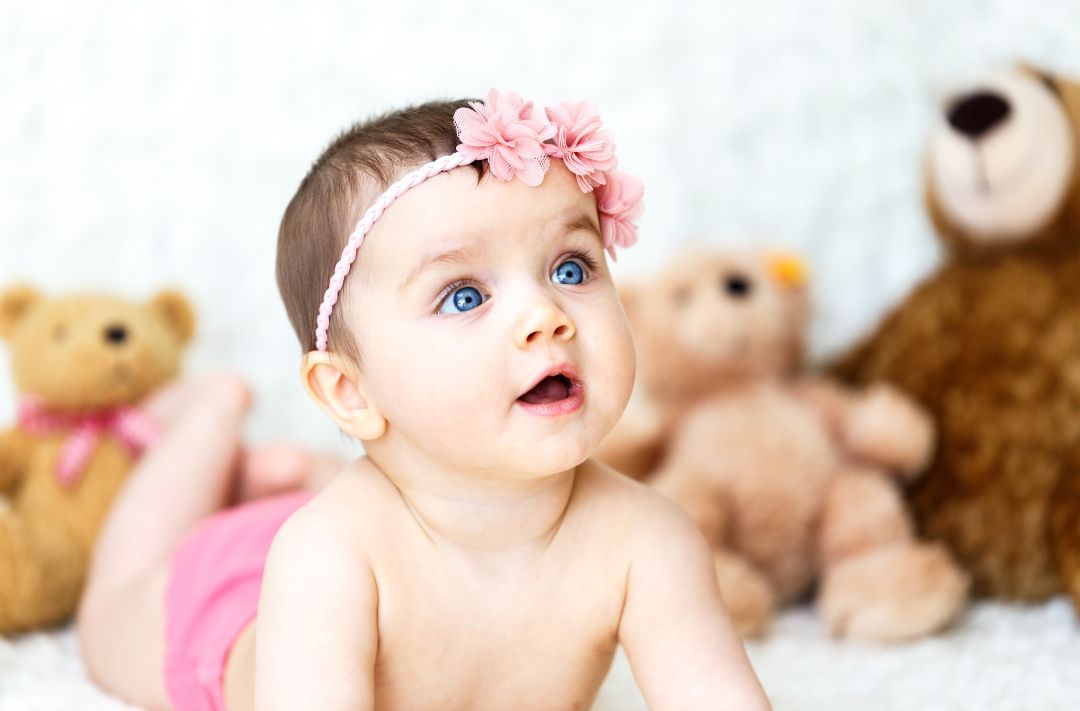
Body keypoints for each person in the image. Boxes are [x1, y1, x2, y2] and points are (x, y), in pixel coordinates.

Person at [78, 89, 771, 711]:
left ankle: (296, 473)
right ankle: (211, 411)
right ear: (350, 391)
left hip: (380, 501)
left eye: (570, 268)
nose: (546, 315)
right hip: (235, 608)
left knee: (413, 472)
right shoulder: (325, 555)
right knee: (112, 613)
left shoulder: (649, 540)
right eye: (464, 296)